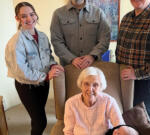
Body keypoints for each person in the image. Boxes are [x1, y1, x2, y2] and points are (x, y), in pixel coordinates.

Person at [5, 2, 64, 135]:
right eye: (24, 16)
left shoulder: (42, 36)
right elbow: (21, 71)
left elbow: (48, 56)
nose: (29, 19)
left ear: (36, 15)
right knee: (41, 121)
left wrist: (53, 64)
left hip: (44, 84)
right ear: (17, 19)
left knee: (37, 116)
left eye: (32, 14)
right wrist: (47, 76)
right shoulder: (16, 42)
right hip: (27, 86)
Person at [63, 67, 139, 135]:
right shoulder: (71, 103)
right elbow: (68, 131)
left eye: (95, 85)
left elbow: (120, 125)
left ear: (101, 87)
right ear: (81, 85)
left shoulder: (109, 101)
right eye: (86, 84)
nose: (90, 89)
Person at [50, 0, 110, 69]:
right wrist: (72, 59)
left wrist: (92, 56)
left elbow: (105, 39)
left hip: (94, 67)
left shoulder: (98, 12)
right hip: (69, 67)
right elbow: (56, 41)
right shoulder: (58, 14)